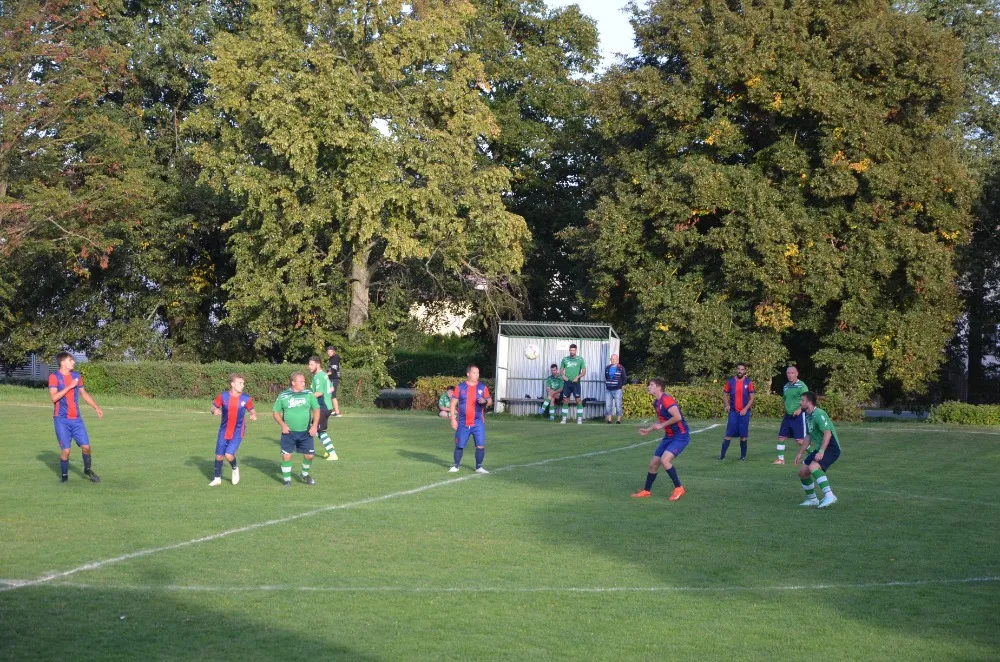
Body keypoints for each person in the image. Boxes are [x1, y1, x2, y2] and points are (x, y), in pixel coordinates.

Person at [47, 352, 103, 483]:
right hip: (61, 420)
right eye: (70, 360)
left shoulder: (77, 376)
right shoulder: (54, 377)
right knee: (66, 450)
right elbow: (54, 398)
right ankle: (64, 477)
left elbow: (83, 393)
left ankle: (87, 470)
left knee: (87, 447)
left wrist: (96, 407)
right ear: (63, 362)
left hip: (77, 420)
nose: (73, 362)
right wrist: (70, 386)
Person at [632, 378, 689, 501]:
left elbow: (677, 417)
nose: (648, 387)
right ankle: (646, 491)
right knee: (653, 464)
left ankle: (679, 488)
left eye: (651, 385)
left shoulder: (666, 399)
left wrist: (662, 426)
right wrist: (649, 429)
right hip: (668, 437)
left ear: (659, 388)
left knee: (665, 460)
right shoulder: (656, 403)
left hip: (681, 435)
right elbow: (662, 421)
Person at [272, 372, 320, 487]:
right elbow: (275, 412)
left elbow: (317, 409)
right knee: (286, 455)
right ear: (293, 383)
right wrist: (283, 425)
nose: (304, 383)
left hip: (306, 432)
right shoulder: (284, 395)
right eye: (301, 381)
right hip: (289, 433)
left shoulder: (309, 394)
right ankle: (287, 480)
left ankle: (304, 474)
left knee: (309, 456)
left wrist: (314, 425)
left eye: (304, 381)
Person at [794, 391, 841, 508]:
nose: (800, 403)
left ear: (809, 402)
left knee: (813, 467)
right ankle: (812, 500)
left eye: (802, 400)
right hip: (821, 447)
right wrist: (800, 453)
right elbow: (809, 436)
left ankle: (829, 495)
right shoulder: (808, 416)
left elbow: (827, 433)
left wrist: (821, 451)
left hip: (831, 447)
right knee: (803, 472)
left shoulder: (819, 414)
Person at [209, 374, 256, 486]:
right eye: (240, 383)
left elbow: (252, 410)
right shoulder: (223, 396)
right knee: (219, 455)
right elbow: (213, 407)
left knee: (229, 455)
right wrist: (214, 411)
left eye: (243, 383)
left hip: (238, 431)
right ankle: (217, 478)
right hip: (224, 430)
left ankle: (235, 468)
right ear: (232, 384)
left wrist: (253, 415)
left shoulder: (246, 398)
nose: (243, 385)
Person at [449, 364, 492, 474]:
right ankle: (456, 466)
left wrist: (485, 401)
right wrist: (453, 419)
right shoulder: (460, 387)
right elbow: (453, 404)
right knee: (459, 445)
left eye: (478, 373)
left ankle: (479, 467)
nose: (477, 375)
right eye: (474, 372)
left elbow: (490, 401)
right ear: (468, 374)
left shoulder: (483, 387)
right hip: (463, 422)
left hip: (478, 422)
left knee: (480, 445)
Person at [721, 362, 755, 461]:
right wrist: (727, 405)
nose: (740, 371)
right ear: (736, 370)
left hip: (745, 413)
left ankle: (743, 457)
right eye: (739, 369)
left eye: (742, 369)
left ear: (745, 371)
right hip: (733, 412)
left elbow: (752, 398)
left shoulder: (748, 382)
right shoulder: (730, 381)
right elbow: (725, 394)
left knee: (743, 435)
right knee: (728, 434)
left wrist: (745, 409)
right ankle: (722, 456)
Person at [775, 366, 808, 465]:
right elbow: (785, 399)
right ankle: (780, 460)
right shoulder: (786, 386)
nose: (790, 375)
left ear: (797, 373)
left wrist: (799, 409)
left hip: (799, 416)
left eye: (792, 373)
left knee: (800, 440)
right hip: (788, 416)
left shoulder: (801, 386)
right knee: (781, 437)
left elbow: (807, 400)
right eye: (788, 373)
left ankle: (814, 456)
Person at [309, 356, 338, 460]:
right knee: (321, 431)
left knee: (313, 428)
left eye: (312, 364)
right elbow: (332, 388)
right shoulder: (324, 375)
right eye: (309, 364)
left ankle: (332, 453)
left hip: (322, 407)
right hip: (327, 406)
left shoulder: (318, 376)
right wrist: (327, 396)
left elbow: (319, 392)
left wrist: (306, 398)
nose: (309, 367)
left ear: (318, 364)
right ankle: (329, 447)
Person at [560, 343, 587, 424]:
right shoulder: (565, 359)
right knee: (565, 400)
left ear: (576, 350)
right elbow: (561, 370)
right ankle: (564, 419)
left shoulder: (580, 359)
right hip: (567, 383)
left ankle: (579, 419)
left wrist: (578, 377)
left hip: (576, 383)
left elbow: (584, 371)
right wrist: (562, 375)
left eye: (574, 350)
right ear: (569, 350)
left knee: (578, 400)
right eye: (571, 350)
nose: (572, 352)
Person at [604, 354, 627, 424]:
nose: (613, 360)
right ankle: (609, 420)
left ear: (617, 360)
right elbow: (606, 376)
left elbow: (624, 378)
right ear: (610, 360)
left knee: (618, 405)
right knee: (608, 405)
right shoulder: (607, 367)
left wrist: (620, 385)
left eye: (615, 359)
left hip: (617, 390)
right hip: (608, 389)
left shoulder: (621, 368)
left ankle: (618, 420)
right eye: (612, 359)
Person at [325, 345, 342, 417]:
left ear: (334, 351)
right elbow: (329, 369)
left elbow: (333, 370)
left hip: (334, 378)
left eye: (331, 351)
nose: (329, 352)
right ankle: (332, 410)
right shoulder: (330, 359)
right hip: (330, 378)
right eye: (328, 351)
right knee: (328, 394)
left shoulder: (335, 357)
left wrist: (324, 375)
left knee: (333, 395)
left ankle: (337, 412)